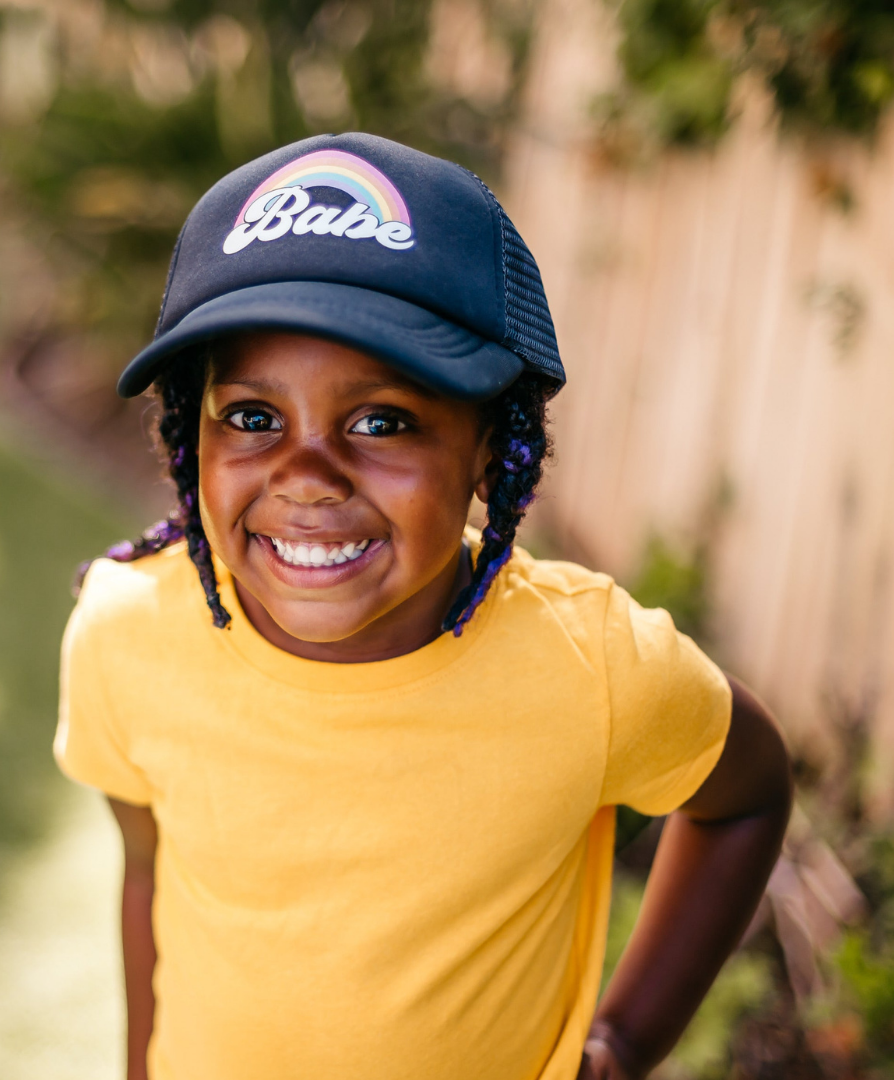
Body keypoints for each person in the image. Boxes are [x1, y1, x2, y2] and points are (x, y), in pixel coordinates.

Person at [54, 133, 792, 1080]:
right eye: (251, 417)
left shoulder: (594, 667)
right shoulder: (127, 635)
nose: (307, 475)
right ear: (188, 431)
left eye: (381, 421)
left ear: (491, 448)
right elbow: (151, 874)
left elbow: (748, 796)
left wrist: (625, 1038)